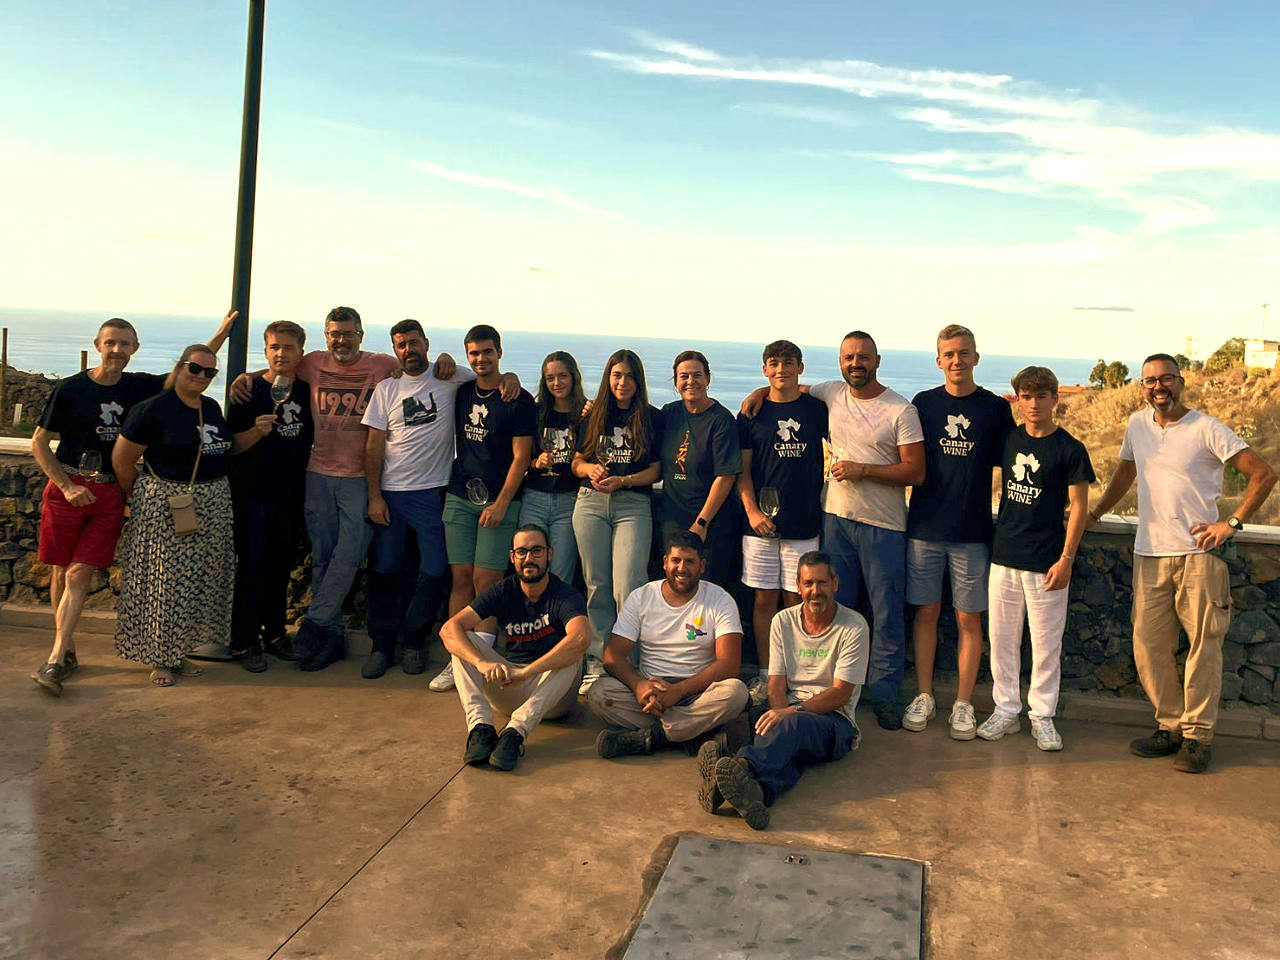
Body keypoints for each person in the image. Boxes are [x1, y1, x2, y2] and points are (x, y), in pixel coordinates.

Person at [29, 312, 233, 696]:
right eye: (111, 342)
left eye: (125, 344)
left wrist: (220, 334)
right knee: (61, 571)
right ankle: (67, 650)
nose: (118, 350)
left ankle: (56, 658)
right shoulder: (70, 389)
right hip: (69, 486)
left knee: (77, 574)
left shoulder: (138, 388)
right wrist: (66, 485)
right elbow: (39, 442)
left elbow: (192, 370)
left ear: (135, 348)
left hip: (108, 491)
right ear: (97, 345)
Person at [1090, 353, 1276, 773]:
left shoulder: (1207, 428)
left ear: (1182, 382)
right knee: (1149, 646)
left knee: (1203, 648)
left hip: (1200, 556)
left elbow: (1263, 474)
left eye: (1167, 379)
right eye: (1151, 380)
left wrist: (1230, 523)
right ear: (1142, 387)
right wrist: (1095, 515)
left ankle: (1197, 737)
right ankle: (1170, 726)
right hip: (1150, 553)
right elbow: (1125, 473)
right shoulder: (1137, 425)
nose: (1160, 387)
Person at [232, 307, 399, 671]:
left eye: (347, 332)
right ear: (325, 336)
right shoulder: (313, 363)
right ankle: (331, 639)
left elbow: (423, 372)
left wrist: (463, 366)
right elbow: (278, 369)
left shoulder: (382, 365)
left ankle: (314, 625)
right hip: (317, 475)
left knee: (350, 554)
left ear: (361, 333)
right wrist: (245, 377)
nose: (341, 339)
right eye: (333, 333)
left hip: (359, 478)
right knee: (323, 556)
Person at [111, 344, 273, 686]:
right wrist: (141, 497)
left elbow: (229, 448)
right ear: (180, 366)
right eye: (195, 368)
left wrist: (258, 430)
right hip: (169, 504)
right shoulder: (153, 409)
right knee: (165, 583)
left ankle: (178, 652)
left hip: (212, 502)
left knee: (198, 583)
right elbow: (122, 461)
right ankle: (161, 659)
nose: (201, 376)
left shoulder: (211, 408)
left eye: (209, 372)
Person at [697, 551, 866, 830]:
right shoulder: (782, 621)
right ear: (798, 587)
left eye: (822, 583)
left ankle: (741, 768)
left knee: (789, 728)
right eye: (808, 584)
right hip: (788, 709)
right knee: (755, 726)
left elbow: (840, 694)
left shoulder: (854, 626)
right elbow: (775, 682)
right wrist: (778, 713)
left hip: (835, 721)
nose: (815, 591)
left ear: (835, 584)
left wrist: (788, 713)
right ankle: (757, 794)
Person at [901, 325, 1014, 738]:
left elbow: (1018, 457)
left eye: (963, 353)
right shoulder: (923, 404)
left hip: (972, 531)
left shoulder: (994, 409)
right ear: (938, 361)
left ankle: (964, 703)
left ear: (976, 358)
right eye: (948, 354)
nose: (956, 360)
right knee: (926, 613)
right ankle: (925, 695)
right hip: (925, 527)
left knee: (969, 617)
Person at [808, 332, 924, 730]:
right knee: (840, 609)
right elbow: (790, 387)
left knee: (887, 612)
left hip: (884, 526)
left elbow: (915, 471)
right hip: (835, 518)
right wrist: (757, 394)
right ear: (840, 361)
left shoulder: (900, 410)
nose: (855, 363)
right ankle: (838, 690)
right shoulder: (831, 393)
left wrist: (863, 470)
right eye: (848, 357)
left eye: (863, 357)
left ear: (877, 360)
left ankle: (886, 696)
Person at [976, 366, 1093, 751]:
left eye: (1041, 396)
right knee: (1002, 641)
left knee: (1046, 645)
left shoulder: (1070, 449)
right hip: (1005, 556)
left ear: (1055, 399)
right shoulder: (1007, 441)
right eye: (1026, 396)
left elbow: (1078, 507)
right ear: (1018, 400)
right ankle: (1006, 711)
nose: (1033, 403)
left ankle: (1042, 716)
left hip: (1047, 561)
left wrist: (1067, 558)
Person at [361, 319, 471, 679]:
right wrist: (374, 495)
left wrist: (512, 379)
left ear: (426, 342)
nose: (408, 349)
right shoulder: (387, 389)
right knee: (385, 570)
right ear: (395, 350)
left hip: (434, 492)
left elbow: (492, 380)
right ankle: (382, 645)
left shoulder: (450, 377)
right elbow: (374, 446)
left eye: (413, 342)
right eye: (401, 345)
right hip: (392, 495)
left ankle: (414, 641)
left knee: (435, 570)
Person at [432, 324, 536, 693]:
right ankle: (458, 661)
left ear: (500, 352)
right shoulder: (460, 390)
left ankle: (485, 662)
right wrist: (443, 359)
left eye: (487, 352)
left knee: (486, 582)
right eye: (474, 353)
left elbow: (522, 457)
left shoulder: (519, 399)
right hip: (461, 496)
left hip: (500, 500)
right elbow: (431, 370)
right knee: (460, 579)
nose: (481, 359)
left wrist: (502, 504)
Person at [440, 524, 590, 771]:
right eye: (521, 552)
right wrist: (482, 663)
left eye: (536, 551)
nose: (529, 558)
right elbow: (448, 629)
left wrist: (527, 672)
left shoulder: (564, 594)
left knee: (573, 652)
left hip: (550, 695)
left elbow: (581, 639)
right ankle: (481, 729)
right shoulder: (503, 590)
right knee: (462, 638)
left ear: (549, 554)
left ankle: (515, 733)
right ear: (512, 557)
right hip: (507, 686)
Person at [587, 531, 748, 757]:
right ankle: (695, 734)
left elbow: (729, 665)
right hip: (651, 693)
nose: (682, 568)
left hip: (698, 692)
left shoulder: (720, 600)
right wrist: (638, 685)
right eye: (676, 560)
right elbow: (612, 657)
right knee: (599, 693)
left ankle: (652, 739)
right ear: (665, 563)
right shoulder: (641, 597)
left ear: (702, 566)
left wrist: (679, 691)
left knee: (736, 693)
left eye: (690, 562)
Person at [736, 340, 828, 706]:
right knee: (763, 600)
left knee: (799, 601)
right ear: (764, 370)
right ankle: (764, 673)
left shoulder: (817, 409)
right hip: (758, 525)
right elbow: (740, 471)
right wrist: (752, 512)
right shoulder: (751, 415)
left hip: (803, 521)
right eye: (773, 364)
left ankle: (795, 677)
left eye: (788, 363)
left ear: (800, 368)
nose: (780, 370)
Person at [571, 349, 663, 694]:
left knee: (630, 585)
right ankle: (597, 661)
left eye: (629, 376)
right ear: (608, 378)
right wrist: (589, 469)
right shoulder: (593, 416)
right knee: (597, 585)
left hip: (633, 505)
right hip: (591, 503)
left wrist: (623, 481)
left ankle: (630, 663)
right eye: (616, 375)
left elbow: (656, 471)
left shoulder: (651, 418)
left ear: (638, 380)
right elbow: (576, 463)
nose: (622, 382)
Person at [226, 320, 313, 672]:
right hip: (252, 495)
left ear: (300, 353)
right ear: (265, 351)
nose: (281, 353)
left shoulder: (307, 390)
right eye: (274, 347)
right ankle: (244, 642)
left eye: (288, 347)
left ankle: (275, 635)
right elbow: (228, 446)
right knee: (251, 568)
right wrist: (255, 432)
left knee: (280, 568)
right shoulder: (247, 392)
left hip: (292, 494)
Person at [658, 350, 742, 588]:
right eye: (683, 376)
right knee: (672, 589)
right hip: (671, 520)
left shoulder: (721, 420)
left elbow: (726, 476)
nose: (690, 381)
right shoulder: (669, 413)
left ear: (708, 378)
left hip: (709, 524)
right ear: (675, 381)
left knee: (706, 591)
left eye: (697, 375)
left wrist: (702, 523)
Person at [521, 351, 586, 585]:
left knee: (560, 573)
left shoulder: (586, 413)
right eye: (550, 378)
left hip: (569, 500)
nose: (556, 383)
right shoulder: (536, 413)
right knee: (529, 567)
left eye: (562, 376)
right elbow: (520, 459)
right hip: (535, 498)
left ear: (573, 377)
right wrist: (536, 463)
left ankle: (557, 621)